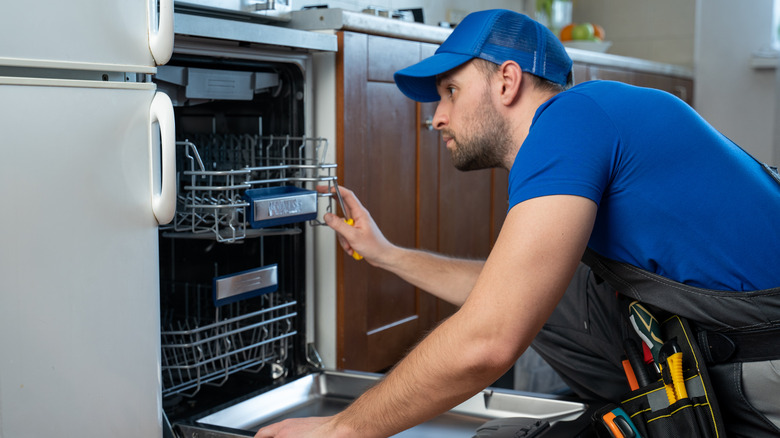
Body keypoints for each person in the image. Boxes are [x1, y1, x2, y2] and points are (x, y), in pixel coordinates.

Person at [256, 9, 780, 438]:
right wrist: (385, 252)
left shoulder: (571, 120)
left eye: (450, 91)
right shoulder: (595, 116)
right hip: (726, 333)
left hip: (765, 368)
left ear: (507, 79)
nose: (436, 116)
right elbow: (504, 296)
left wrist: (342, 429)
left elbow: (488, 340)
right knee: (567, 294)